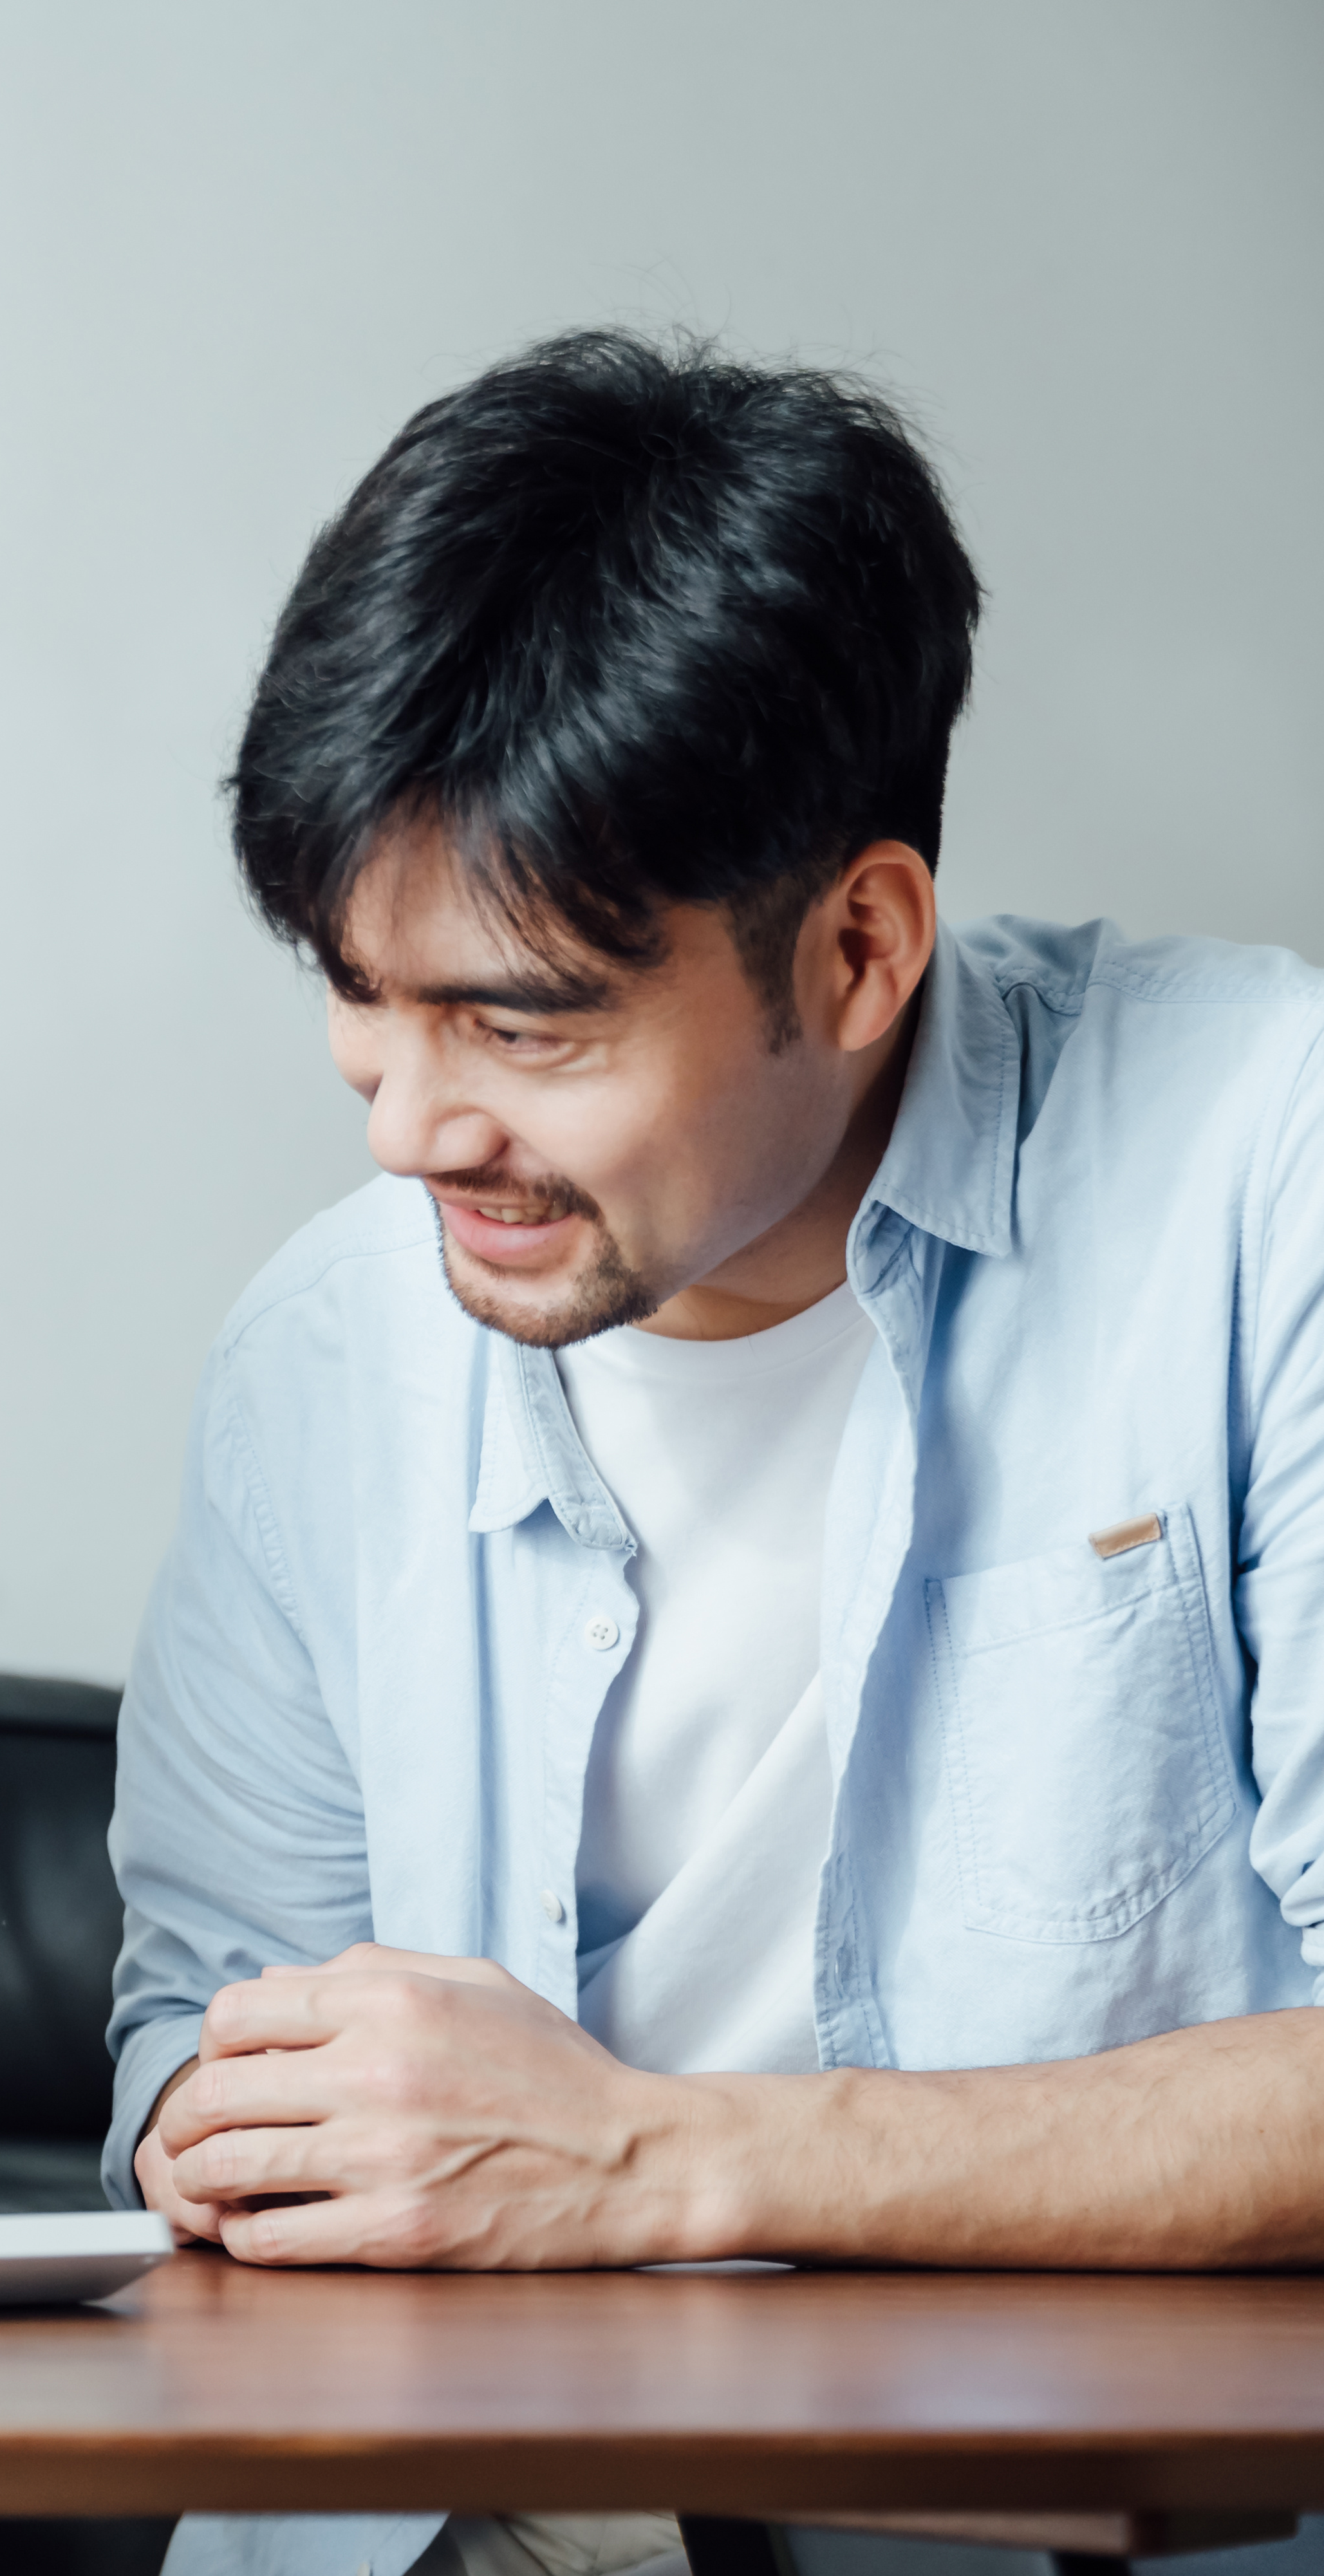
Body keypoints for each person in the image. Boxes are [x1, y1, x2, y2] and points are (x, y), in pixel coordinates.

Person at [108, 330, 1324, 2576]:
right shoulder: (317, 1355)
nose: (406, 1122)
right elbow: (194, 2020)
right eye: (362, 995)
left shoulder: (1264, 1172)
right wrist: (225, 2123)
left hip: (1040, 2519)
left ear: (858, 945)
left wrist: (654, 2160)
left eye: (523, 1021)